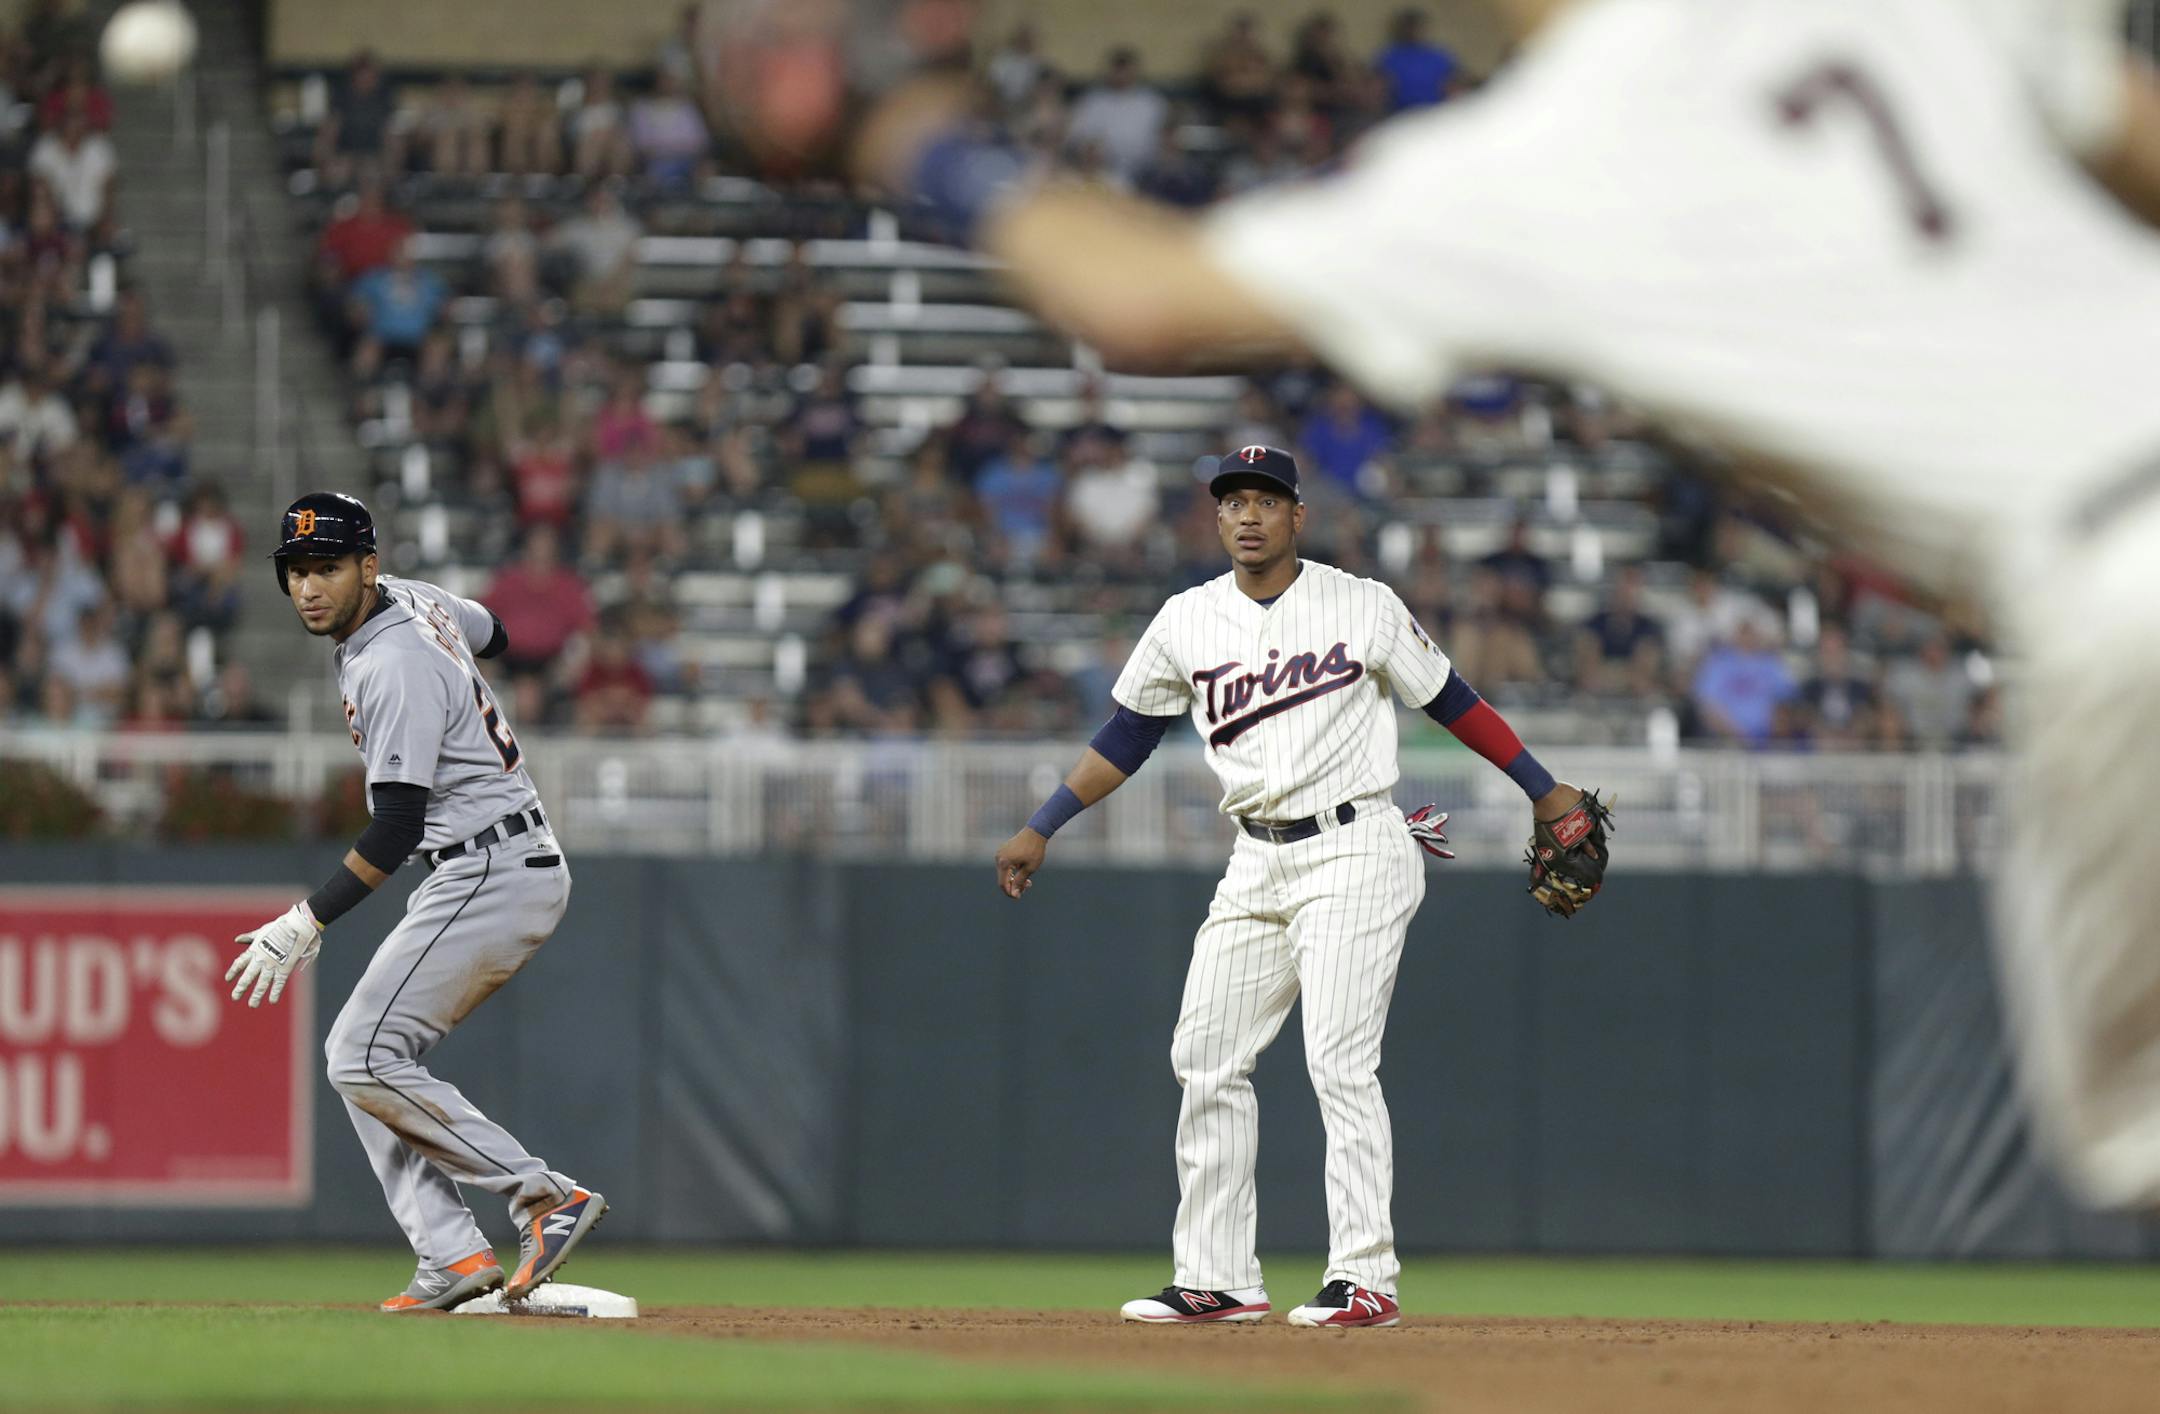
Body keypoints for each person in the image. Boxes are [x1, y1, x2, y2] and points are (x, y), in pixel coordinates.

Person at [851, 0, 2160, 1211]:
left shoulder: (1559, 152)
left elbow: (1139, 294)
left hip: (2118, 582)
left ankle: (1342, 1273)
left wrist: (912, 134)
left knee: (2134, 1126)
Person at [994, 447, 1594, 1328]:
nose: (1247, 515)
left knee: (1339, 1061)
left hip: (1357, 844)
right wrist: (1043, 822)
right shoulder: (1187, 619)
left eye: (1265, 500)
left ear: (1297, 517)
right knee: (1205, 1055)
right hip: (1256, 857)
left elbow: (1452, 699)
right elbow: (1128, 733)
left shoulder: (1360, 604)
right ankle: (1219, 1276)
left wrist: (1543, 788)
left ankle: (1365, 1278)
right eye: (1232, 500)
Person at [226, 493, 606, 1312]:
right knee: (362, 1057)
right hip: (493, 857)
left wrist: (308, 918)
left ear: (366, 565)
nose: (307, 588)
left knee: (361, 1055)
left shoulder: (390, 658)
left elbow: (395, 827)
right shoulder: (416, 598)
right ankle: (455, 1259)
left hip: (490, 866)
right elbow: (495, 632)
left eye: (326, 567)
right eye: (295, 571)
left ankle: (545, 1199)